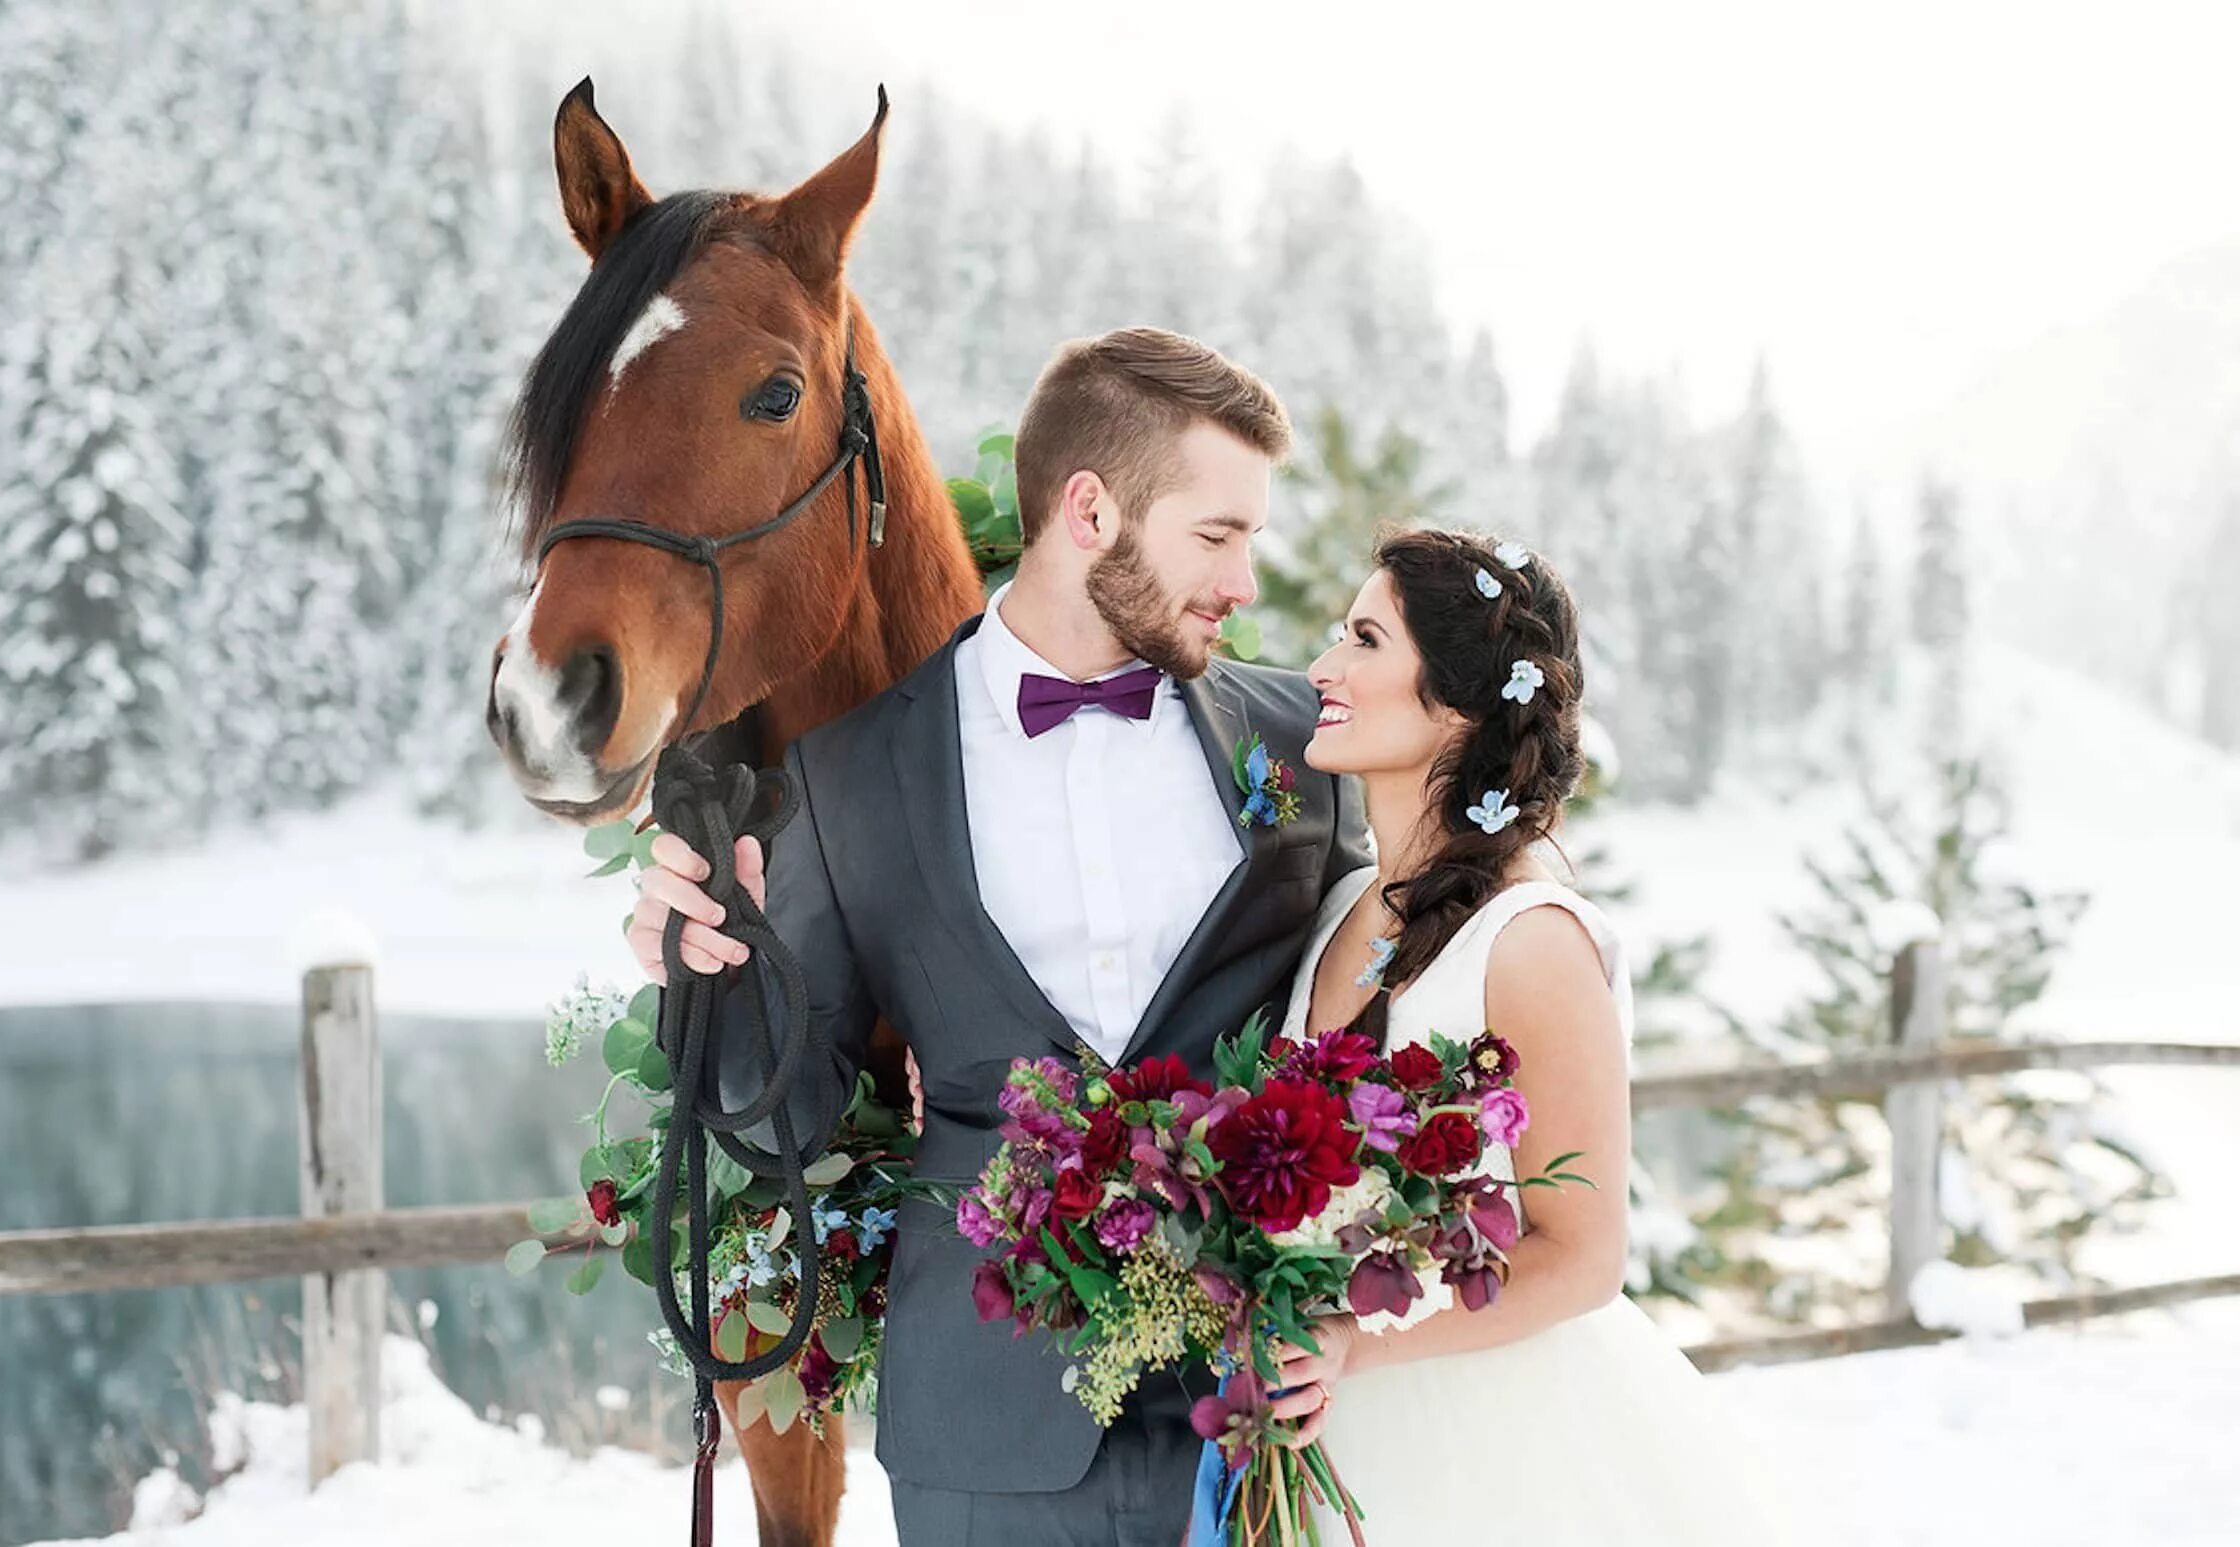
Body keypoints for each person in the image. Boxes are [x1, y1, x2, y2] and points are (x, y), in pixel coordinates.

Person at [629, 326, 1370, 1546]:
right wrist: (704, 971)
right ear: (1089, 510)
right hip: (985, 1422)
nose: (1244, 582)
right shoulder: (853, 772)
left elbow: (1376, 1020)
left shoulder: (1301, 745)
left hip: (1267, 1407)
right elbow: (782, 1111)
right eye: (1217, 535)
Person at [1264, 526, 1811, 1542]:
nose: (1323, 667)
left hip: (1489, 1440)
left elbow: (1583, 1252)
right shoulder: (1342, 902)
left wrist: (1361, 1343)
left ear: (1458, 703)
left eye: (1365, 640)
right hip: (1332, 1436)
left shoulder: (1529, 938)